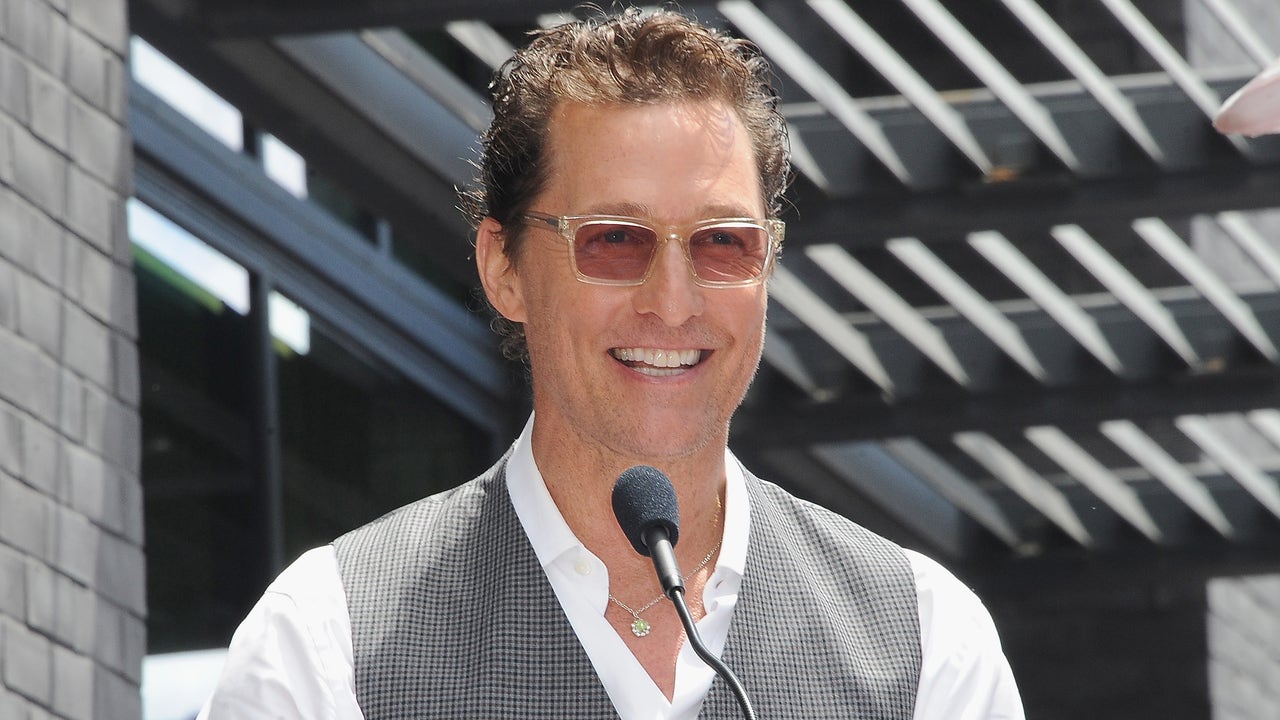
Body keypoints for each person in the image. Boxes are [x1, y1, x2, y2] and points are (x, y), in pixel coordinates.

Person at [198, 7, 1024, 719]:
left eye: (723, 243)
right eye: (616, 241)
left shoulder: (925, 642)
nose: (673, 301)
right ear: (504, 268)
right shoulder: (329, 640)